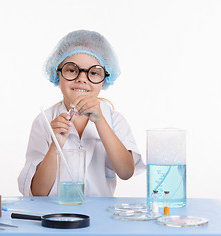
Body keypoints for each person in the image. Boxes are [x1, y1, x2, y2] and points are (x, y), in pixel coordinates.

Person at [18, 30, 145, 197]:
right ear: (58, 73)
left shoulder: (115, 120)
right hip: (56, 215)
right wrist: (55, 146)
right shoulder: (44, 121)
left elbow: (126, 172)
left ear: (104, 79)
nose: (82, 78)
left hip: (100, 217)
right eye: (72, 70)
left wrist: (100, 122)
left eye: (93, 72)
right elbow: (38, 192)